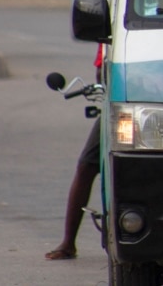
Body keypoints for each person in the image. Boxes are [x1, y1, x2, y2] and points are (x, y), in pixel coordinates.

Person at [45, 44, 104, 260]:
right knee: (87, 165)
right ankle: (68, 243)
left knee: (86, 167)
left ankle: (69, 243)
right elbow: (102, 69)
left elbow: (102, 71)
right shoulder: (117, 25)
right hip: (124, 105)